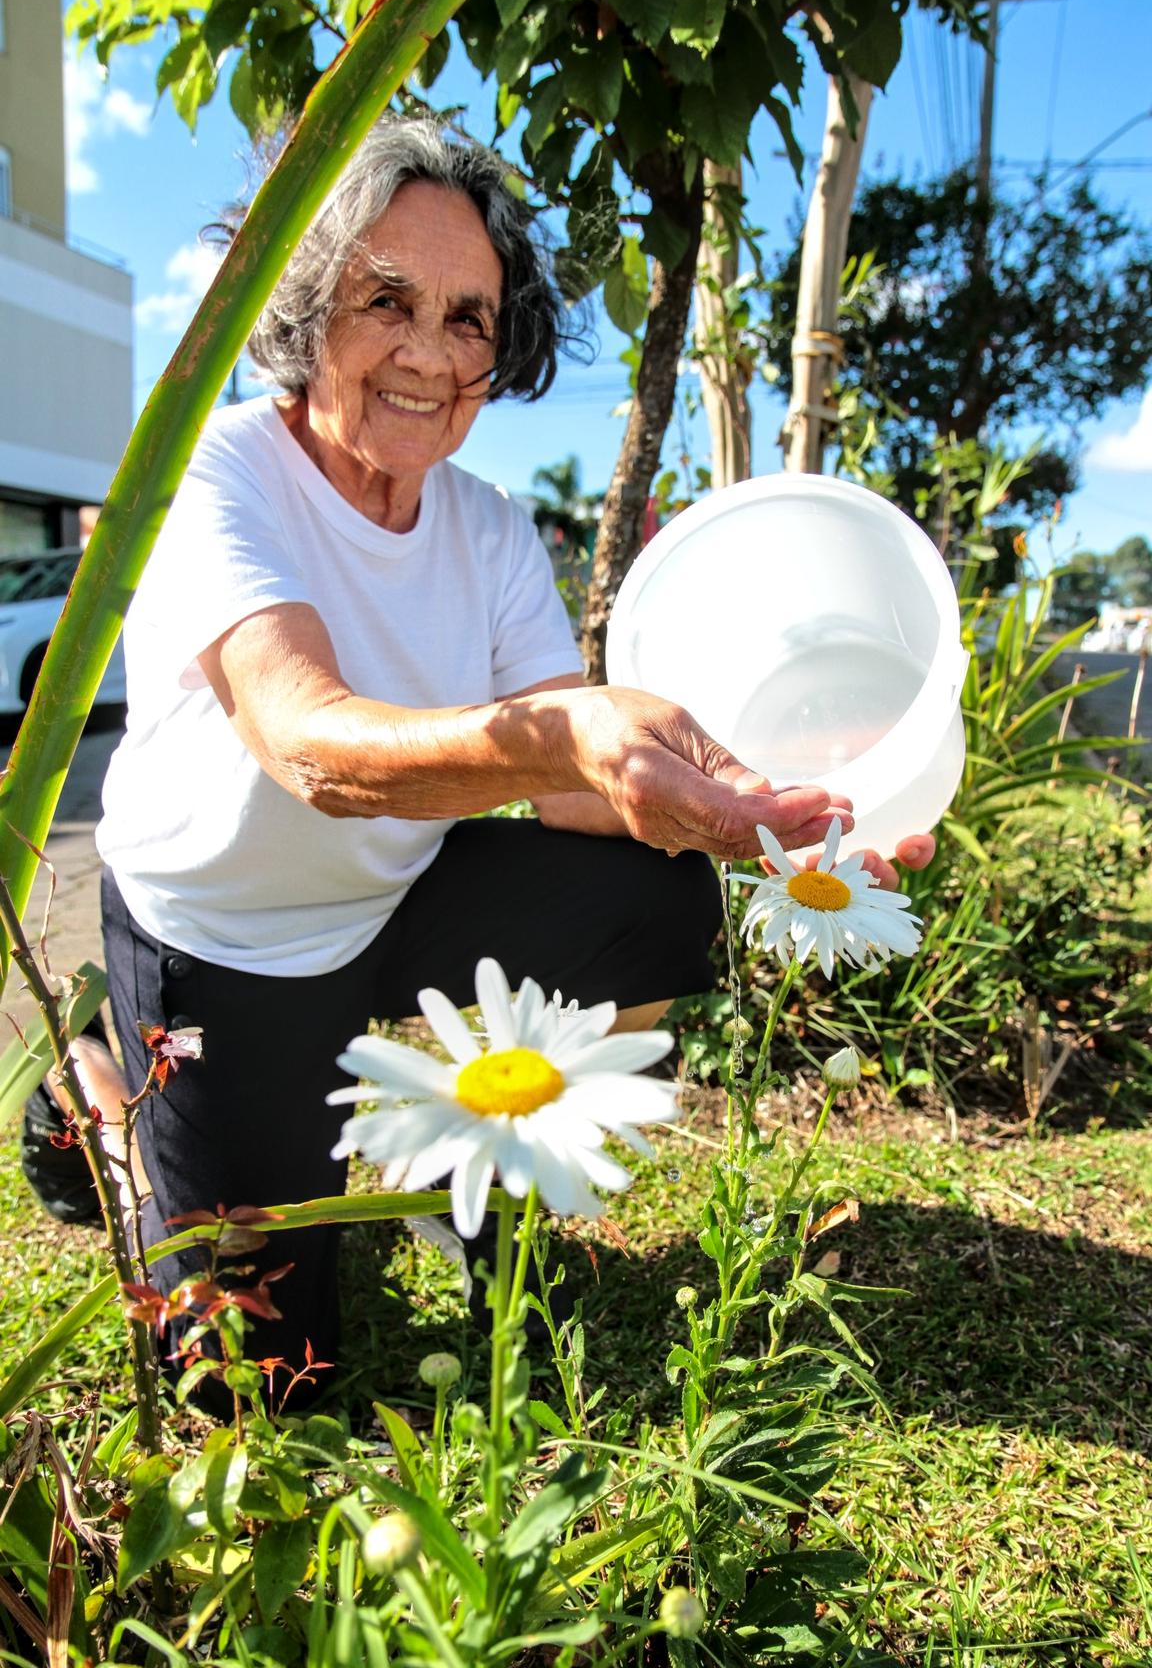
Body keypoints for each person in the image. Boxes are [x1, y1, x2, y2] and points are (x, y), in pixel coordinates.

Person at [21, 115, 932, 1395]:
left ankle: (474, 1179)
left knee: (660, 901)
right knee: (255, 1378)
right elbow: (311, 747)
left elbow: (574, 788)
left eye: (469, 319)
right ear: (306, 305)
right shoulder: (220, 475)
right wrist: (572, 734)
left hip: (391, 902)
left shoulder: (490, 528)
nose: (428, 353)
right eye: (386, 300)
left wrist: (776, 816)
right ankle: (105, 1101)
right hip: (222, 939)